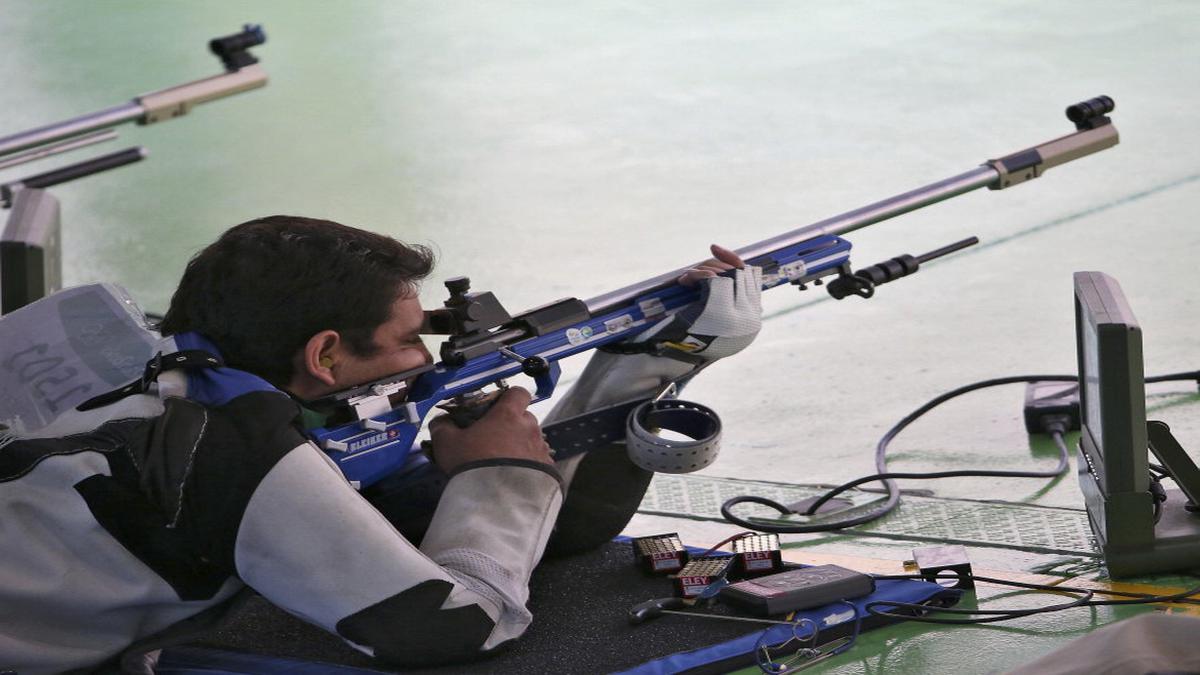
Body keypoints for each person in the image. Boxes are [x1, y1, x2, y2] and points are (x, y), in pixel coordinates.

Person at [0, 215, 762, 674]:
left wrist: (656, 356)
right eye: (406, 341)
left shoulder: (176, 387)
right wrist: (499, 473)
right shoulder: (245, 455)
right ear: (326, 355)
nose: (426, 362)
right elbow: (462, 623)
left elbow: (566, 530)